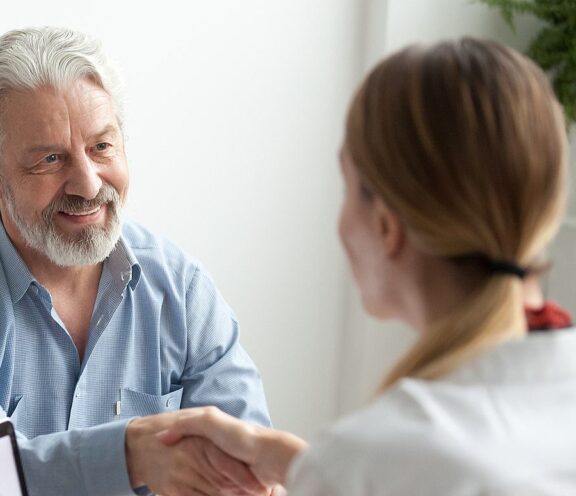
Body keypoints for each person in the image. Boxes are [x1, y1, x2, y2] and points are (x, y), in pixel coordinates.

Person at [0, 26, 271, 495]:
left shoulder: (181, 286)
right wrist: (129, 456)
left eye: (102, 147)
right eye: (51, 159)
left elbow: (251, 465)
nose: (89, 185)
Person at [158, 38, 576, 495]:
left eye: (348, 185)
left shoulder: (374, 458)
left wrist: (329, 473)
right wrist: (308, 467)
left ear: (385, 226)